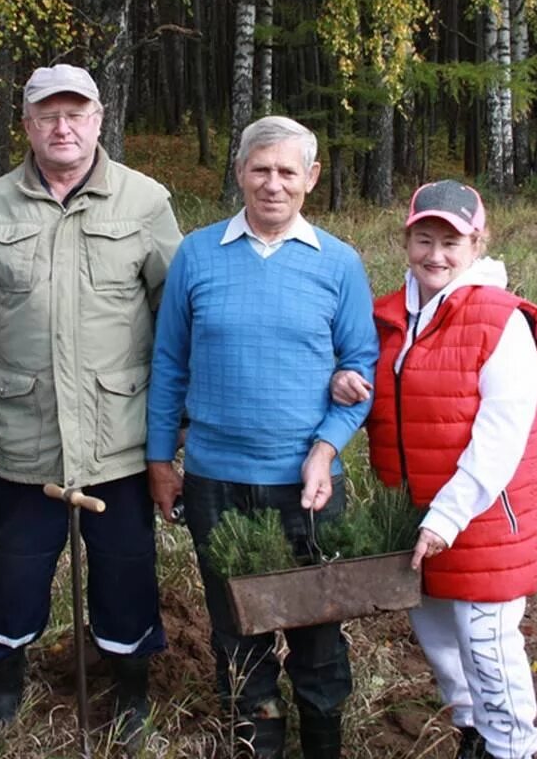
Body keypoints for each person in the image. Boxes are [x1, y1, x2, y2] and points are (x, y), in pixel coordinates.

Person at [0, 63, 182, 739]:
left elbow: (175, 322)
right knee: (12, 572)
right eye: (47, 114)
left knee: (126, 572)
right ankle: (2, 688)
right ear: (25, 124)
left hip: (121, 436)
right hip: (24, 434)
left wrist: (172, 436)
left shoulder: (145, 202)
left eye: (75, 113)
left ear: (98, 120)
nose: (62, 126)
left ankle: (131, 692)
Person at [146, 115, 379, 759]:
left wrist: (327, 448)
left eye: (286, 171)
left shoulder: (338, 263)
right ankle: (258, 744)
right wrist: (161, 460)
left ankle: (324, 742)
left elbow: (362, 368)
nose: (272, 184)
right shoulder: (197, 254)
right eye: (259, 169)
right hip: (217, 482)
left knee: (316, 633)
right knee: (237, 634)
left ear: (310, 179)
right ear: (240, 172)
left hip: (306, 485)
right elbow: (168, 365)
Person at [331, 180, 537, 759]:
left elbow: (499, 439)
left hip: (480, 518)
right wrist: (345, 384)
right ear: (406, 240)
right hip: (410, 513)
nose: (436, 255)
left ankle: (512, 747)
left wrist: (447, 517)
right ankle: (473, 734)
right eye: (424, 239)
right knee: (438, 640)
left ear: (478, 243)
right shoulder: (386, 316)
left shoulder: (500, 321)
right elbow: (366, 388)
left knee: (486, 642)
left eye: (451, 242)